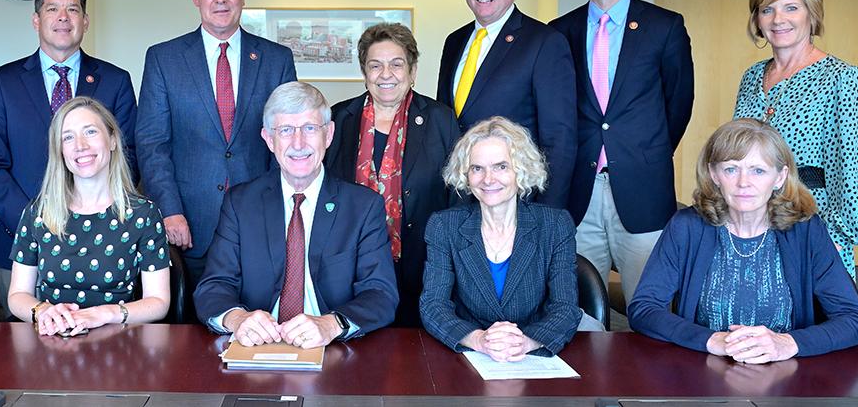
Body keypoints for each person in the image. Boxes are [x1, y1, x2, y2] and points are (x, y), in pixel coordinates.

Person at [136, 0, 296, 320]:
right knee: (191, 336)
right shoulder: (164, 58)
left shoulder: (275, 58)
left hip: (261, 221)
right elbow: (151, 143)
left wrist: (283, 211)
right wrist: (170, 210)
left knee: (260, 329)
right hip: (189, 225)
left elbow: (287, 141)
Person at [629, 118, 858, 362]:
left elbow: (854, 320)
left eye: (758, 170)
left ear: (780, 177)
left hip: (787, 375)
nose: (744, 182)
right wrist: (710, 340)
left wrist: (787, 343)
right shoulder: (686, 226)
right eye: (731, 169)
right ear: (714, 174)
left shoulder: (806, 231)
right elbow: (644, 308)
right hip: (702, 370)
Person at [549, 0, 694, 306]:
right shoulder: (558, 33)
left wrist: (645, 152)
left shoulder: (665, 27)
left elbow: (678, 104)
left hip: (643, 189)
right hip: (578, 193)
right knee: (580, 311)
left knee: (650, 307)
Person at [0, 0, 139, 315]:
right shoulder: (3, 82)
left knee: (103, 351)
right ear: (37, 20)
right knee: (22, 357)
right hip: (19, 244)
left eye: (73, 9)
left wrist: (89, 220)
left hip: (103, 245)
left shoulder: (115, 81)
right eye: (53, 9)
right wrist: (34, 224)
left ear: (85, 21)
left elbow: (128, 157)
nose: (63, 17)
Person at [194, 82, 398, 348]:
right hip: (256, 349)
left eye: (310, 128)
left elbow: (381, 294)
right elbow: (214, 285)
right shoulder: (240, 203)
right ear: (269, 139)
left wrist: (332, 324)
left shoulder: (363, 206)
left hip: (335, 350)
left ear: (329, 135)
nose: (298, 143)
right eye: (286, 130)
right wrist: (237, 319)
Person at [732, 0, 858, 279]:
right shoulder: (752, 76)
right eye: (767, 9)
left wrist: (838, 237)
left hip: (811, 222)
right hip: (751, 220)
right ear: (757, 20)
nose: (777, 19)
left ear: (811, 14)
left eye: (791, 8)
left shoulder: (843, 78)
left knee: (808, 322)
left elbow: (856, 167)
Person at [324, 23, 458, 327]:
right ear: (364, 72)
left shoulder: (440, 119)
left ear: (411, 71)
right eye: (376, 65)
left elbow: (457, 197)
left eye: (396, 64)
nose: (386, 74)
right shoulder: (338, 118)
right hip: (350, 267)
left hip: (422, 267)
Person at [421, 116, 583, 361]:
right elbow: (433, 305)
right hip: (470, 354)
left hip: (533, 354)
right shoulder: (444, 226)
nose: (488, 179)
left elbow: (565, 308)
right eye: (477, 168)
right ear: (465, 174)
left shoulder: (555, 225)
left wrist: (524, 343)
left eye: (501, 166)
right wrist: (479, 340)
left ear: (522, 170)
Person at [7, 97, 169, 336]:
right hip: (53, 343)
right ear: (60, 151)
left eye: (90, 132)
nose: (80, 145)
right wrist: (42, 310)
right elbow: (17, 295)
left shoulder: (143, 213)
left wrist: (107, 313)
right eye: (68, 137)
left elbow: (159, 302)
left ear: (112, 140)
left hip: (117, 345)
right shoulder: (38, 212)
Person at [436, 0, 576, 209]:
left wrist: (546, 214)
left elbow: (560, 139)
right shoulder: (454, 41)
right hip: (459, 200)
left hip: (519, 202)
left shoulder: (544, 42)